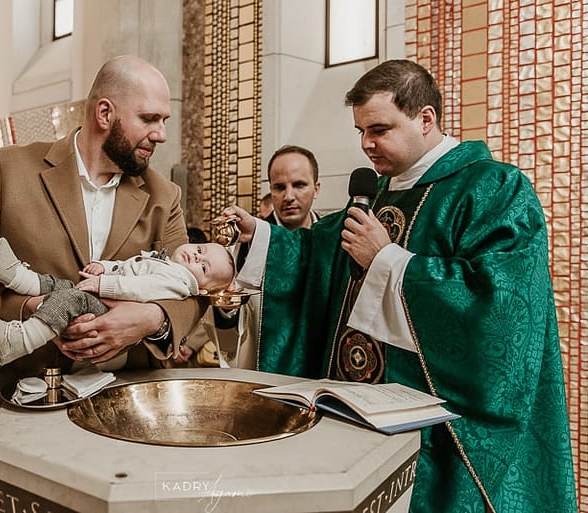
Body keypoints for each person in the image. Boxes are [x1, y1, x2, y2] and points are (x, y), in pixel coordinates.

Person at [225, 59, 576, 512]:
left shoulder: (493, 188)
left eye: (379, 129)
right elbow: (316, 255)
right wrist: (264, 239)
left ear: (425, 119)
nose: (366, 144)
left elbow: (504, 311)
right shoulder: (381, 193)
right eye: (361, 131)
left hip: (445, 435)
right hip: (358, 418)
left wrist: (388, 260)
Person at [0, 55, 206, 409]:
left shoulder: (164, 195)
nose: (161, 134)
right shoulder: (7, 171)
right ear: (105, 114)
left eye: (163, 121)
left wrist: (150, 319)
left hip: (128, 398)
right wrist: (36, 307)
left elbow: (192, 289)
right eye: (149, 119)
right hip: (23, 392)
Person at [0, 237, 234, 365]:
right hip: (102, 296)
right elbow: (129, 267)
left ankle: (22, 339)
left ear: (201, 288)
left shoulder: (177, 279)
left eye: (203, 268)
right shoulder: (166, 263)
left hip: (107, 308)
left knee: (69, 297)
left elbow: (140, 287)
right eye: (200, 250)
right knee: (63, 288)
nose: (195, 258)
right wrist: (105, 267)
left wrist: (105, 283)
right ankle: (18, 277)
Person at [213, 145, 322, 369]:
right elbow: (227, 324)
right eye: (279, 187)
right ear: (271, 191)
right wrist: (227, 306)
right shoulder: (247, 242)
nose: (289, 196)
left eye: (299, 185)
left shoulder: (330, 240)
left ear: (316, 188)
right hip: (262, 365)